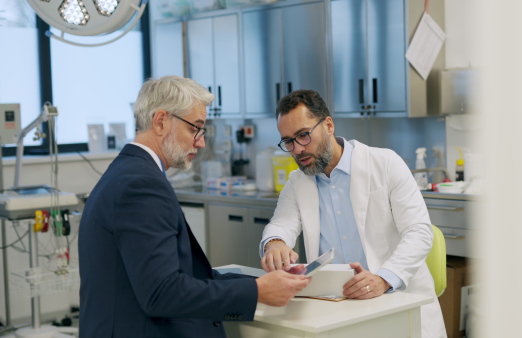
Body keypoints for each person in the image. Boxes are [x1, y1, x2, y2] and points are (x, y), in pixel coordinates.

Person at [78, 76, 310, 338]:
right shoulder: (141, 185)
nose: (200, 142)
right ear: (161, 121)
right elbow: (161, 293)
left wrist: (262, 284)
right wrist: (257, 293)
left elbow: (184, 276)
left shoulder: (127, 172)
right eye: (194, 129)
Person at [260, 89, 446, 337]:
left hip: (397, 301)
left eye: (303, 136)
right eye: (288, 141)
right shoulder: (297, 182)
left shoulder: (385, 163)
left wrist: (383, 279)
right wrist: (275, 243)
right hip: (338, 307)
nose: (297, 150)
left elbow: (419, 232)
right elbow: (282, 223)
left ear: (328, 125)